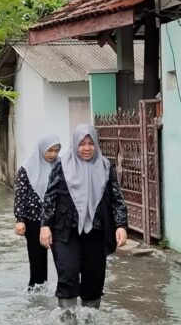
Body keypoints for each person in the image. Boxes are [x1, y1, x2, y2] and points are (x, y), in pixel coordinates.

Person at [39, 124, 128, 312]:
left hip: (96, 231)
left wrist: (121, 225)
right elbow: (50, 196)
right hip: (65, 231)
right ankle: (68, 320)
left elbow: (116, 198)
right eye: (82, 144)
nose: (86, 148)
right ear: (75, 144)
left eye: (90, 143)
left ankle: (90, 321)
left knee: (94, 279)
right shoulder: (62, 166)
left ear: (96, 143)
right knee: (68, 273)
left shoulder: (105, 166)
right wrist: (45, 225)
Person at [13, 134, 61, 289]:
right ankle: (36, 289)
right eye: (50, 150)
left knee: (62, 257)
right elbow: (20, 195)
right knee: (37, 258)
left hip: (57, 219)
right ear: (41, 150)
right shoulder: (26, 169)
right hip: (33, 220)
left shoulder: (61, 167)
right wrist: (20, 220)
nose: (53, 154)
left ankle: (65, 290)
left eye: (56, 151)